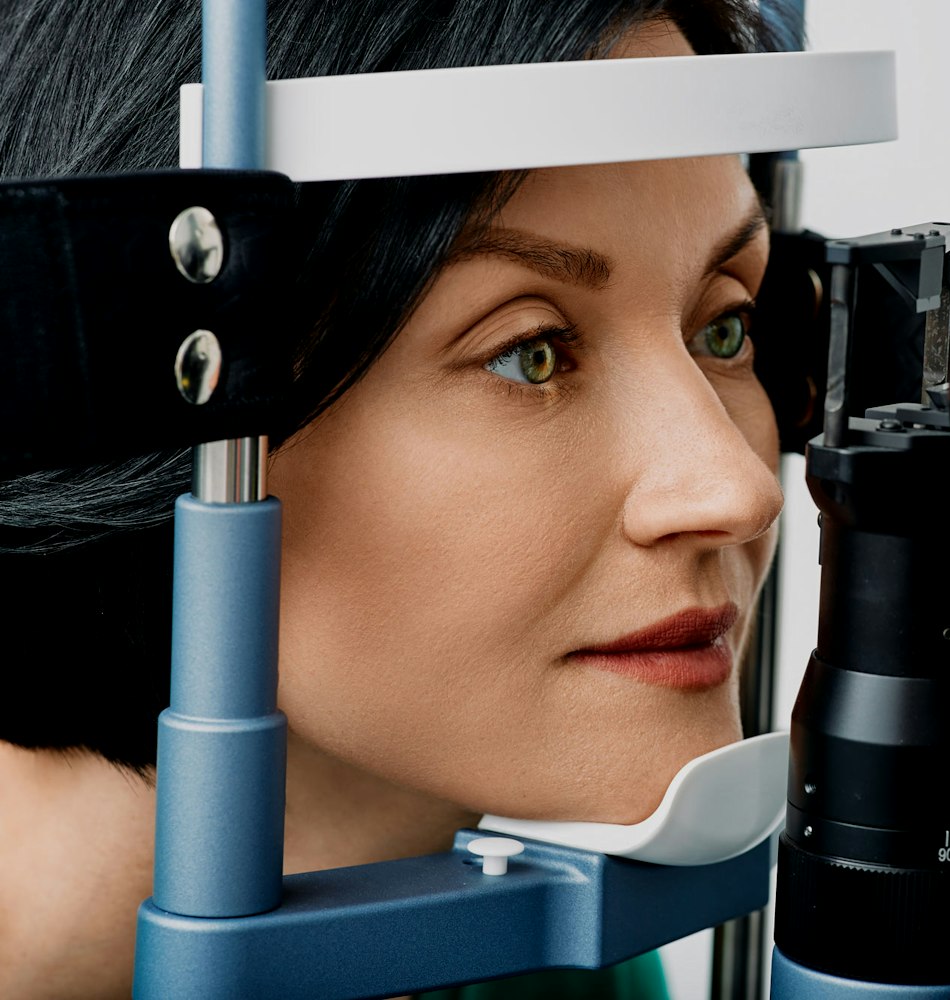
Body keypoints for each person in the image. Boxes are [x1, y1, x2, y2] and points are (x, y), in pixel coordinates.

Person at [0, 1, 793, 997]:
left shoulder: (543, 961)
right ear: (152, 392)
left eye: (722, 326)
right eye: (529, 352)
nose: (737, 487)